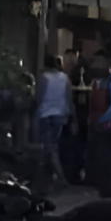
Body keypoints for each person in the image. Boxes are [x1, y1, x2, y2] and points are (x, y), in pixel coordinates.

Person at [84, 55, 111, 198]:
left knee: (106, 159)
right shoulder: (97, 82)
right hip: (97, 125)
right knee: (98, 158)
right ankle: (100, 186)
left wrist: (102, 119)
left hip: (109, 127)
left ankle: (108, 190)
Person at [32, 56, 74, 184]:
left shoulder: (44, 78)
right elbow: (69, 97)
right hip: (60, 114)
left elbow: (39, 97)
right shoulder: (65, 78)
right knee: (53, 145)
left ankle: (60, 177)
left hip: (45, 114)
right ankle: (52, 176)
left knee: (48, 148)